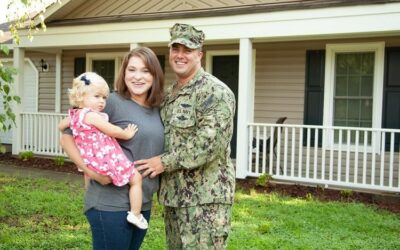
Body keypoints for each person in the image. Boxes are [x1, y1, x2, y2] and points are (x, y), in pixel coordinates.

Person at [135, 23, 236, 249]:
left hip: (205, 201)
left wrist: (163, 162)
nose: (180, 55)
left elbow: (209, 144)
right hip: (174, 198)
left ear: (199, 54)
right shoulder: (170, 93)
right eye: (175, 49)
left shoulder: (214, 92)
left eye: (187, 50)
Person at [60, 47, 164, 250]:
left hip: (142, 203)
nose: (137, 77)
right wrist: (91, 173)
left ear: (155, 75)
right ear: (123, 73)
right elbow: (66, 138)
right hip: (109, 203)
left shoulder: (158, 108)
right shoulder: (108, 102)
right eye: (131, 70)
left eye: (145, 71)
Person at [59, 72, 148, 229]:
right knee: (136, 179)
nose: (101, 101)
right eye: (97, 96)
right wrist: (126, 133)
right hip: (105, 157)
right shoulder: (92, 116)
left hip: (89, 159)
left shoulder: (74, 115)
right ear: (81, 96)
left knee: (88, 176)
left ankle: (90, 198)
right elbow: (112, 130)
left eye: (104, 97)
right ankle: (135, 214)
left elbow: (61, 126)